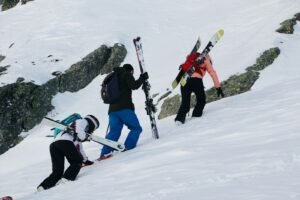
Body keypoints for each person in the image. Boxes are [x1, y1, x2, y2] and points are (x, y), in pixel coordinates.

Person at [98, 64, 148, 160]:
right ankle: (128, 147)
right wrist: (142, 78)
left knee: (114, 131)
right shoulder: (126, 74)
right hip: (124, 108)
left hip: (112, 111)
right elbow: (134, 85)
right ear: (130, 70)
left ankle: (105, 153)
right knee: (136, 128)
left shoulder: (113, 76)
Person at [37, 115, 100, 191]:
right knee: (76, 162)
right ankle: (66, 179)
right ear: (93, 124)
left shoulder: (72, 130)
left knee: (57, 171)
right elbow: (81, 135)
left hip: (54, 145)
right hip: (65, 142)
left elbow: (79, 148)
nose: (92, 131)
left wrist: (85, 160)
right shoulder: (82, 121)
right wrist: (85, 137)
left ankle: (43, 186)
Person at [175, 53, 224, 125]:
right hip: (196, 80)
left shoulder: (190, 58)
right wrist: (218, 87)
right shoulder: (206, 59)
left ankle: (179, 120)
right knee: (201, 99)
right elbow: (212, 73)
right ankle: (196, 116)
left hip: (184, 80)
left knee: (185, 102)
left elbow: (185, 65)